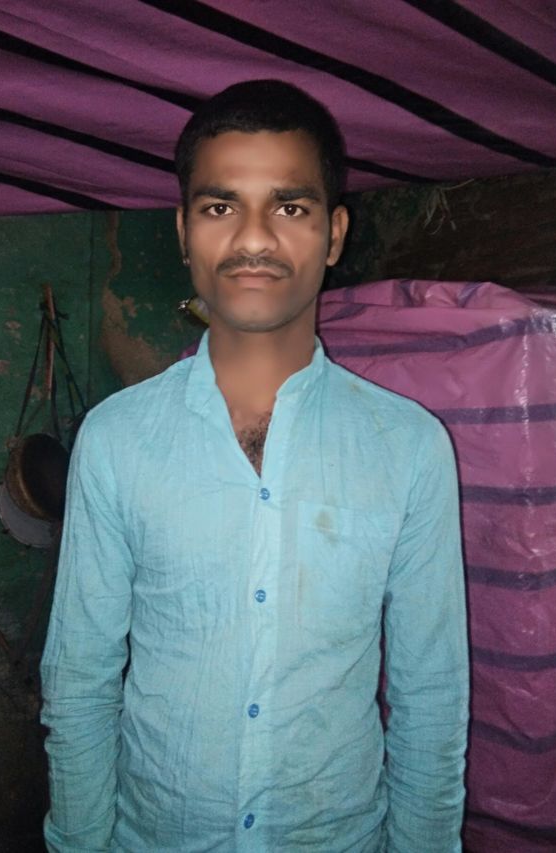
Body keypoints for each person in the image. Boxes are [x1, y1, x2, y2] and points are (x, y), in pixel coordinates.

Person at [40, 80, 469, 852]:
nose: (254, 238)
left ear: (334, 234)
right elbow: (79, 681)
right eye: (220, 206)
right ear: (184, 231)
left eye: (290, 207)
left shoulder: (410, 447)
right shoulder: (115, 439)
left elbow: (431, 698)